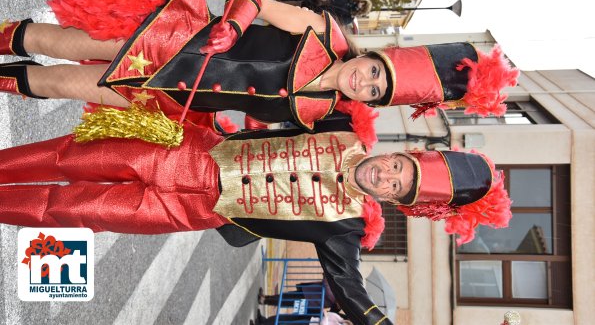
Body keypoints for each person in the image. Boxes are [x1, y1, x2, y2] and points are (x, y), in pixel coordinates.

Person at [0, 105, 512, 324]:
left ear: (398, 201)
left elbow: (351, 291)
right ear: (397, 153)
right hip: (187, 149)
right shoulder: (342, 124)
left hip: (184, 209)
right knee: (69, 155)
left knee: (65, 209)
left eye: (398, 186)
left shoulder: (346, 228)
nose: (386, 176)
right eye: (397, 166)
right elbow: (293, 82)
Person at [0, 0, 518, 133]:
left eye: (376, 92)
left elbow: (259, 132)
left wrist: (234, 133)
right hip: (163, 38)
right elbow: (257, 0)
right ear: (372, 57)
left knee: (54, 84)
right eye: (374, 72)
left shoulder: (319, 115)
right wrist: (237, 24)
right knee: (48, 41)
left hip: (165, 97)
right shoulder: (324, 32)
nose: (365, 83)